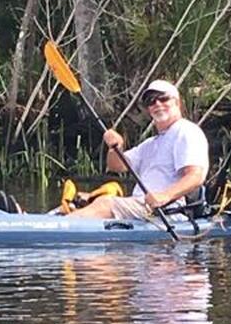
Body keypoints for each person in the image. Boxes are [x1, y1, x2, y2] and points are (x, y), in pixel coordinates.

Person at [69, 79, 209, 220]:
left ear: (177, 102)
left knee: (105, 203)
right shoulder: (150, 143)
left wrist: (164, 196)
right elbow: (116, 166)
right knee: (85, 200)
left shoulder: (186, 131)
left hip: (169, 210)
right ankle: (64, 220)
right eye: (151, 101)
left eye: (163, 98)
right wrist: (115, 147)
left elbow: (196, 176)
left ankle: (60, 227)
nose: (157, 104)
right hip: (143, 207)